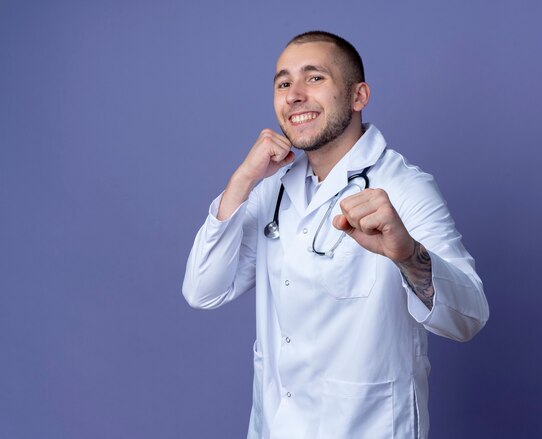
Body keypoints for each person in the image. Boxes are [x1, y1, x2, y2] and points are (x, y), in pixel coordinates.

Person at [182, 30, 489, 439]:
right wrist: (242, 179)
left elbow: (469, 318)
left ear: (358, 96)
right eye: (284, 82)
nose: (294, 94)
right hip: (275, 428)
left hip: (368, 428)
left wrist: (407, 255)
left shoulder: (403, 187)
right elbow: (203, 290)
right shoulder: (271, 188)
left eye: (314, 78)